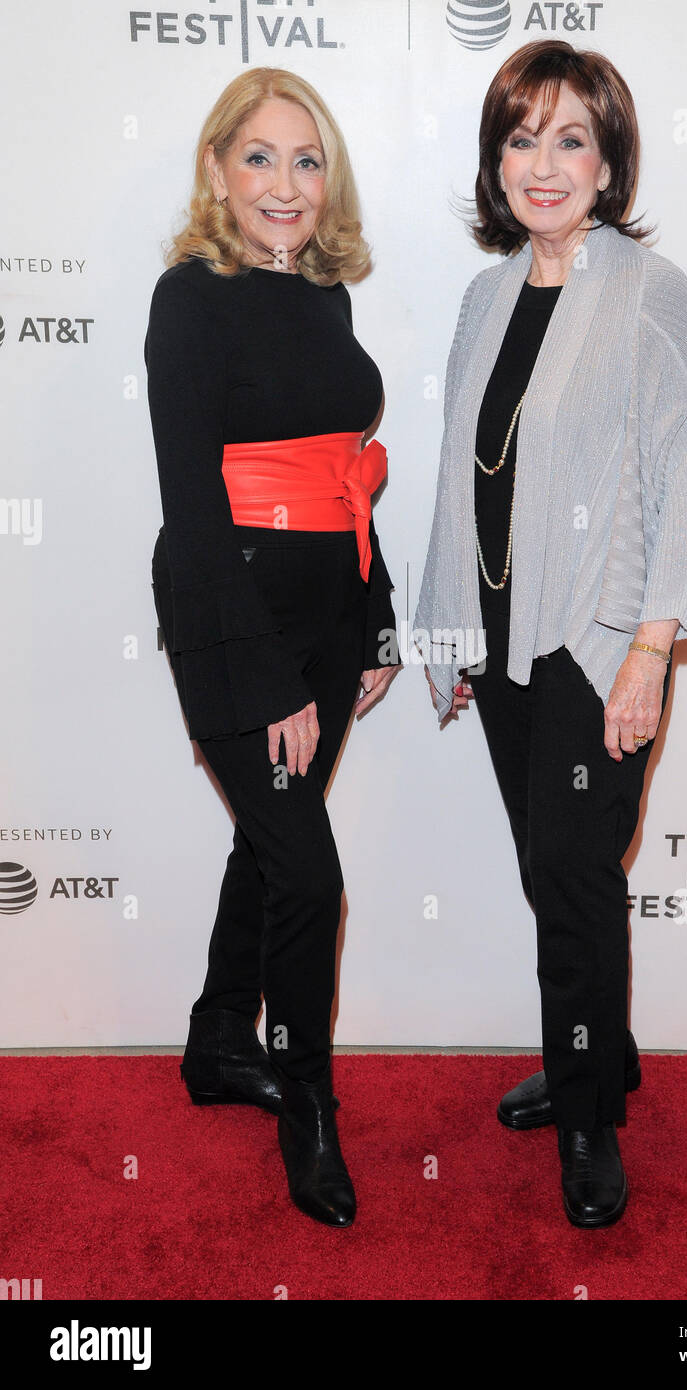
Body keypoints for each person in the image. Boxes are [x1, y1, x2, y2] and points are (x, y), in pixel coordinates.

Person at [413, 40, 687, 1228]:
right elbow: (461, 473)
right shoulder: (485, 295)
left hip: (598, 644)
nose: (544, 164)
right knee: (563, 880)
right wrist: (448, 625)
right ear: (498, 163)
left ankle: (591, 1116)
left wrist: (652, 649)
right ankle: (601, 1050)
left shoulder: (650, 293)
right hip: (504, 645)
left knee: (576, 882)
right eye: (521, 138)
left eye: (570, 139)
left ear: (608, 163)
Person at [146, 67, 400, 1228]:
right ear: (216, 170)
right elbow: (195, 507)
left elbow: (349, 473)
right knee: (312, 873)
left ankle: (214, 1041)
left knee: (266, 846)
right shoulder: (187, 299)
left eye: (307, 160)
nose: (285, 184)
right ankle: (307, 1096)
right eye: (259, 157)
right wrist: (258, 679)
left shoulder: (325, 295)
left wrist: (378, 615)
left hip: (330, 616)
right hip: (232, 617)